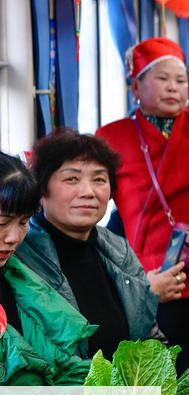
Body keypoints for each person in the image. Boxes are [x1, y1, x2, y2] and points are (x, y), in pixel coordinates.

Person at [95, 37, 189, 395]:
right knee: (183, 385)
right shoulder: (111, 137)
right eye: (162, 78)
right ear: (135, 86)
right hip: (157, 276)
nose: (174, 87)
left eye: (181, 80)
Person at [15, 131, 162, 360]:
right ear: (41, 189)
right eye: (71, 179)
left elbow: (149, 337)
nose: (88, 192)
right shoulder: (18, 254)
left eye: (99, 180)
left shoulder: (120, 252)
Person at [0, 152, 114, 395]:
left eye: (23, 222)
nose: (13, 237)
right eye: (2, 223)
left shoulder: (19, 279)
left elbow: (60, 369)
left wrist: (111, 393)